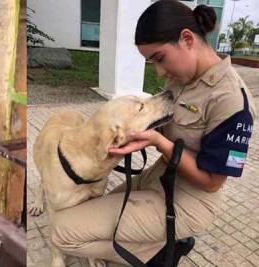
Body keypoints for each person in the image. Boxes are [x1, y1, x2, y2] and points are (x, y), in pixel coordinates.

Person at [50, 0, 257, 266]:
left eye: (159, 58)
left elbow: (212, 182)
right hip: (155, 179)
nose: (159, 71)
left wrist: (160, 142)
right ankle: (153, 242)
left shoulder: (234, 103)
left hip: (187, 201)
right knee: (84, 210)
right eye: (152, 62)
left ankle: (157, 252)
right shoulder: (181, 77)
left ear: (186, 39)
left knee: (61, 231)